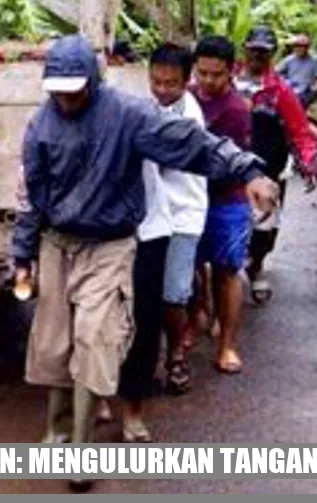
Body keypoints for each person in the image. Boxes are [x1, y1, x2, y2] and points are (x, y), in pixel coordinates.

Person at [12, 35, 276, 490]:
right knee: (54, 344)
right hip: (58, 242)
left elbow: (194, 144)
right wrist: (22, 256)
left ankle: (80, 448)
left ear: (93, 82)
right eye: (58, 89)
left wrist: (248, 170)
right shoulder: (40, 125)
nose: (66, 98)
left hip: (111, 243)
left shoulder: (129, 115)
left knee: (95, 337)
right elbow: (32, 196)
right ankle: (54, 431)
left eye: (74, 89)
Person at [117, 43, 208, 443]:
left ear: (186, 82)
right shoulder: (142, 104)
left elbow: (167, 153)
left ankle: (175, 356)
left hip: (183, 213)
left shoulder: (189, 115)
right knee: (141, 300)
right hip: (151, 217)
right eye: (156, 81)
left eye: (172, 83)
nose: (162, 89)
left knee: (172, 296)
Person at [236, 26, 317, 305]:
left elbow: (299, 129)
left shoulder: (280, 91)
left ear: (272, 54)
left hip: (268, 168)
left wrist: (308, 161)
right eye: (253, 50)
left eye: (264, 51)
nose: (257, 56)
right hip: (230, 170)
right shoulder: (228, 81)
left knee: (265, 228)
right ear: (245, 49)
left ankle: (256, 265)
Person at [188, 35, 256, 376]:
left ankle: (227, 343)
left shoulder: (236, 111)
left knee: (227, 272)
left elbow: (231, 163)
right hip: (191, 198)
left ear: (231, 72)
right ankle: (199, 315)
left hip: (226, 199)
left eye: (217, 74)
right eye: (202, 73)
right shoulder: (184, 99)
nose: (208, 81)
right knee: (191, 268)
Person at [276, 34, 317, 107]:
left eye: (301, 46)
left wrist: (314, 89)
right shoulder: (289, 59)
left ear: (306, 48)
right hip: (289, 90)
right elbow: (276, 72)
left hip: (306, 91)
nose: (298, 48)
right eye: (296, 46)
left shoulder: (314, 60)